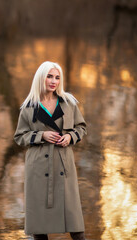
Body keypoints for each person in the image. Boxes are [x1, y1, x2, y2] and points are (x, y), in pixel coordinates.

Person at [14, 61, 87, 240]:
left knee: (76, 228)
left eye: (57, 77)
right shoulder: (29, 107)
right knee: (39, 227)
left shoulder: (68, 103)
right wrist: (41, 135)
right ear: (41, 78)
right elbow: (19, 137)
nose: (53, 81)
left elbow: (82, 128)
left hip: (64, 166)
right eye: (49, 76)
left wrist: (70, 137)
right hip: (38, 169)